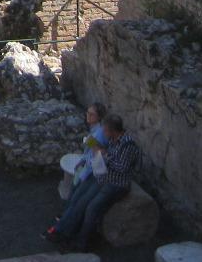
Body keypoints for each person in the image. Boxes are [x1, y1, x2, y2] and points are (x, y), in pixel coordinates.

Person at [50, 115, 141, 251]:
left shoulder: (127, 144)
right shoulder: (113, 139)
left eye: (105, 131)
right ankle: (65, 231)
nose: (104, 134)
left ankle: (82, 242)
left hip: (116, 184)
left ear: (112, 131)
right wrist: (97, 148)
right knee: (81, 200)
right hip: (104, 177)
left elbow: (122, 167)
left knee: (92, 208)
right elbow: (105, 154)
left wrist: (104, 155)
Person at [47, 104, 110, 241]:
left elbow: (97, 155)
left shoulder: (98, 133)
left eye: (91, 114)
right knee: (74, 198)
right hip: (88, 169)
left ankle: (63, 228)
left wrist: (84, 166)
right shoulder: (96, 130)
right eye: (88, 112)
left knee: (77, 200)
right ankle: (63, 221)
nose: (88, 115)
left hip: (91, 172)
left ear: (99, 117)